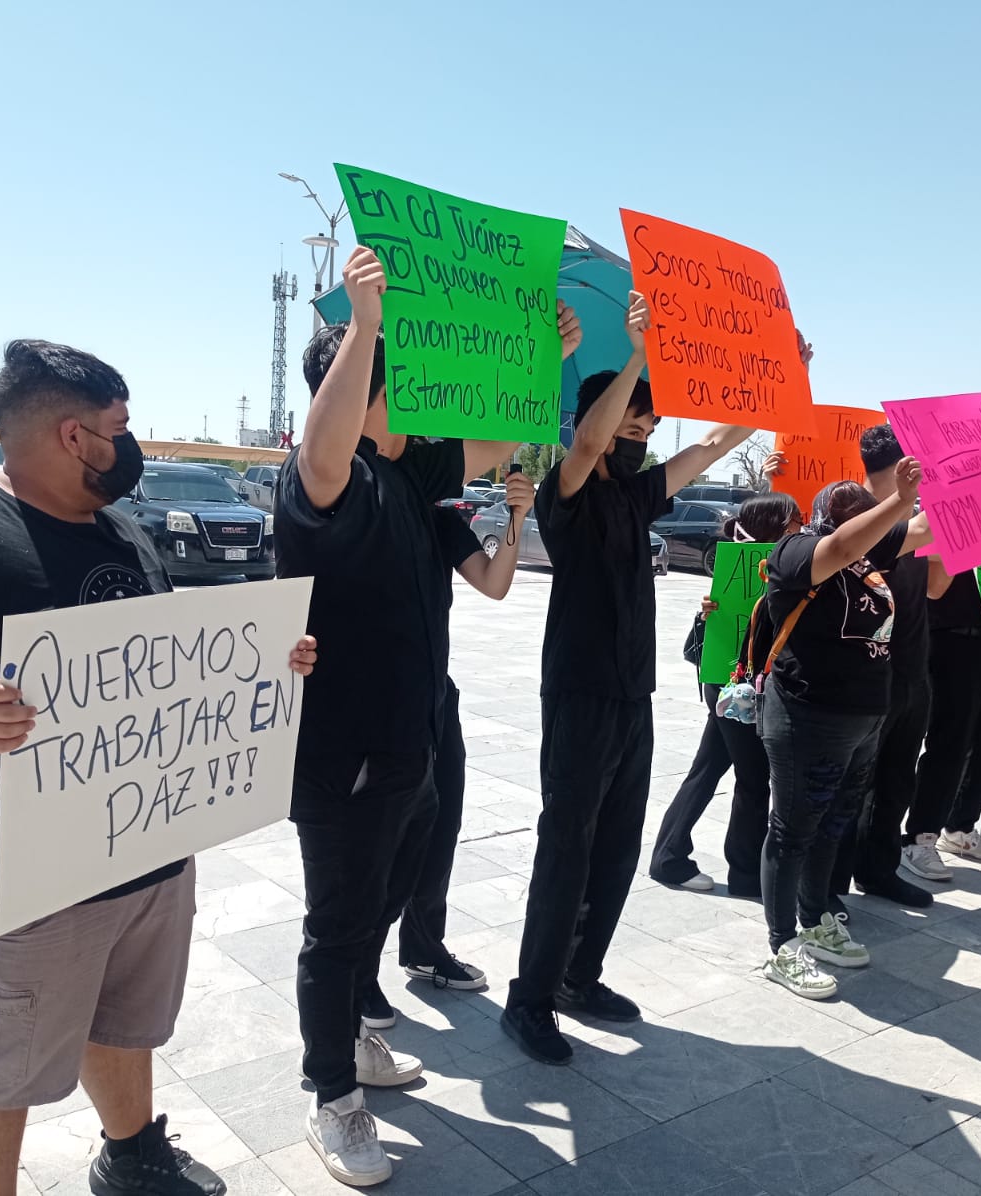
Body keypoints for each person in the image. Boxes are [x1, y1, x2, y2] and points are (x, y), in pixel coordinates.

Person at [0, 340, 317, 1196]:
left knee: (125, 1022)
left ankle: (131, 1151)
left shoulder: (125, 532)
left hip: (144, 851)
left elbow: (165, 665)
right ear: (71, 436)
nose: (127, 445)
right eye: (118, 428)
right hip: (14, 876)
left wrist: (266, 662)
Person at [277, 245, 581, 1183]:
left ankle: (358, 1036)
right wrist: (366, 328)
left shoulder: (418, 474)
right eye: (394, 373)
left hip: (415, 740)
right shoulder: (330, 475)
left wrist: (551, 357)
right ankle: (333, 1095)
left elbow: (509, 433)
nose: (426, 388)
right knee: (337, 924)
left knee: (386, 899)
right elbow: (323, 444)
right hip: (341, 750)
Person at [502, 292, 762, 1065]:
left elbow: (712, 447)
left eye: (647, 428)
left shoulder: (640, 494)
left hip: (631, 694)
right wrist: (640, 355)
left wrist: (773, 387)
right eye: (630, 422)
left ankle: (582, 977)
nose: (639, 435)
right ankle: (531, 998)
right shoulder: (567, 491)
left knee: (616, 845)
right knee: (567, 843)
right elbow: (582, 445)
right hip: (578, 690)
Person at [360, 473, 540, 1030]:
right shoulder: (357, 505)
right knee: (377, 846)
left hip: (436, 695)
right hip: (375, 701)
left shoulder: (435, 515)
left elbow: (494, 583)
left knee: (439, 828)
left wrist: (516, 516)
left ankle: (422, 944)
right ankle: (357, 971)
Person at [758, 470, 930, 1000]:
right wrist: (898, 502)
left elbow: (926, 529)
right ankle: (782, 944)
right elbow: (845, 543)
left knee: (834, 825)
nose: (870, 520)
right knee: (793, 830)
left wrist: (967, 486)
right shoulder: (797, 551)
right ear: (828, 518)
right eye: (856, 511)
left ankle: (816, 919)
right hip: (809, 717)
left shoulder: (868, 556)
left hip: (863, 721)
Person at [648, 491, 802, 898]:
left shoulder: (778, 562)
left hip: (734, 683)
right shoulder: (751, 563)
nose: (799, 529)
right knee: (753, 778)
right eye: (792, 522)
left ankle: (669, 855)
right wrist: (707, 614)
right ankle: (745, 872)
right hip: (737, 685)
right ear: (775, 526)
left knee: (709, 767)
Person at [829, 423, 935, 908]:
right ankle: (826, 888)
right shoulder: (854, 517)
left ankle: (879, 869)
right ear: (903, 466)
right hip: (867, 677)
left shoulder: (914, 518)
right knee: (850, 788)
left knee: (896, 780)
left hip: (913, 671)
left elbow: (935, 588)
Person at [901, 536, 981, 879]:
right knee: (949, 744)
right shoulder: (944, 517)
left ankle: (960, 827)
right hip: (955, 639)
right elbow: (935, 587)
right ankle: (920, 837)